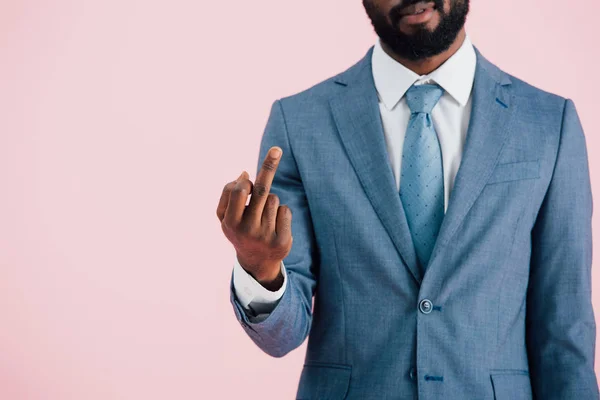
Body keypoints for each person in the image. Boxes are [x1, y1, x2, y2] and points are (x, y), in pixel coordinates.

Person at [215, 0, 599, 398]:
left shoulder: (549, 124)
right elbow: (282, 337)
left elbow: (564, 331)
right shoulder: (300, 123)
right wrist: (260, 268)